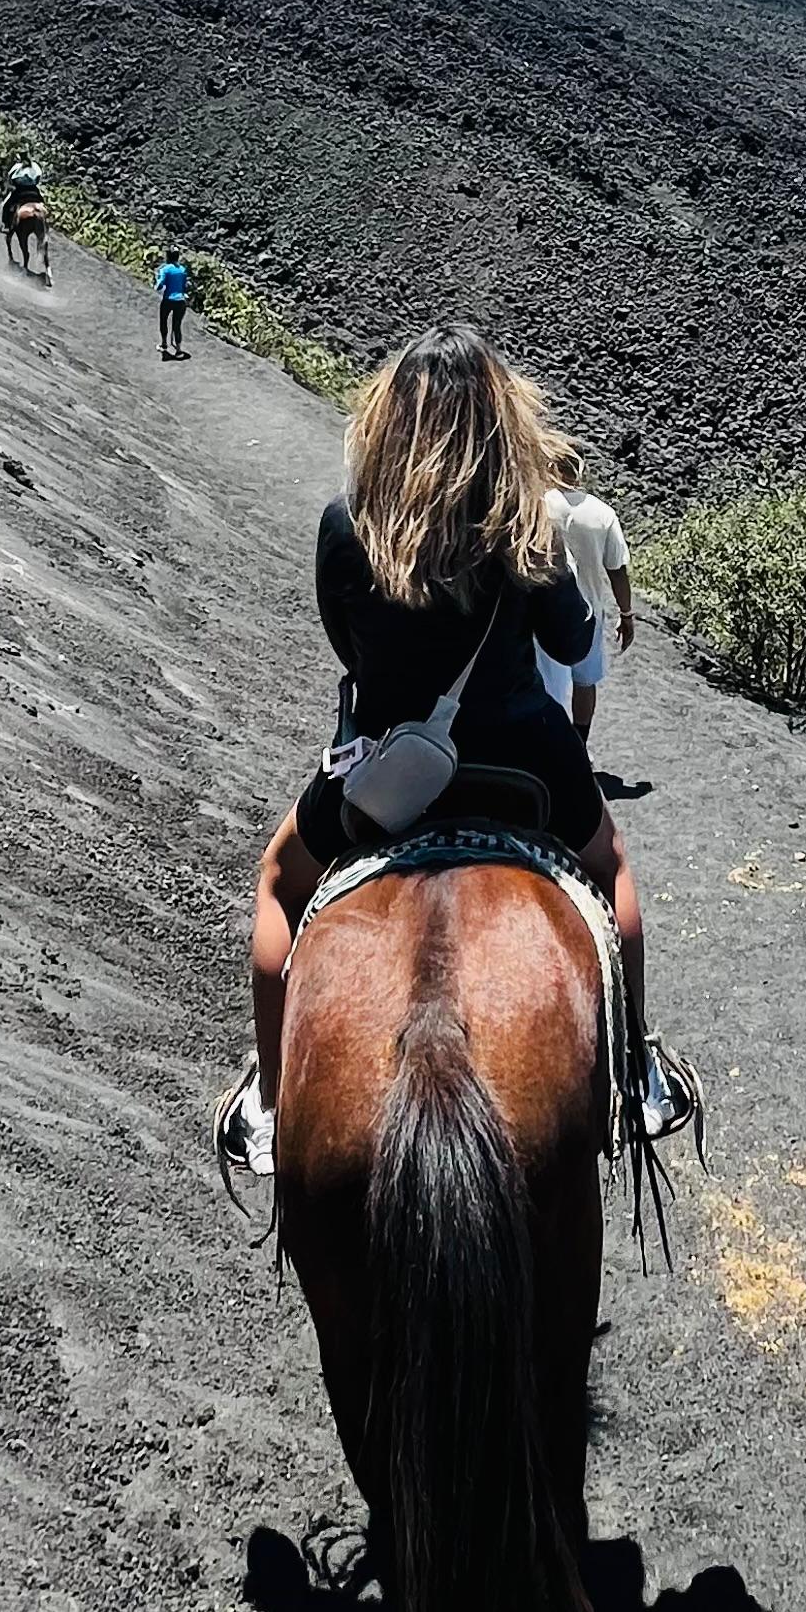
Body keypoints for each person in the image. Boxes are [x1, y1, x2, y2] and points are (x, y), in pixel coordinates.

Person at [219, 326, 695, 1205]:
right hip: (526, 757)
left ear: (391, 419)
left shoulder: (350, 524)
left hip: (388, 762)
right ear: (498, 422)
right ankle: (635, 1072)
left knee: (279, 884)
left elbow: (348, 649)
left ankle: (278, 1103)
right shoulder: (526, 530)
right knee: (615, 869)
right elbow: (570, 639)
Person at [538, 461, 634, 740]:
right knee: (585, 680)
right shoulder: (603, 513)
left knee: (546, 681)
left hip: (545, 606)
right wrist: (626, 614)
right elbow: (617, 569)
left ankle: (546, 741)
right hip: (589, 610)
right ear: (580, 471)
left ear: (552, 467)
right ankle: (579, 745)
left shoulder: (539, 505)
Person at [155, 249, 191, 359]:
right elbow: (184, 286)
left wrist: (157, 279)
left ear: (168, 257)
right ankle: (179, 350)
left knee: (163, 321)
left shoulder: (165, 269)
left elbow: (160, 285)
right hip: (180, 300)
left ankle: (164, 344)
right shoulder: (182, 270)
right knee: (177, 326)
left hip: (168, 300)